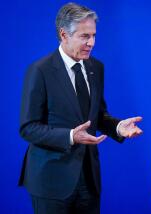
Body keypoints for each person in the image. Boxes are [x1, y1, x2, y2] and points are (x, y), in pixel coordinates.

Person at [19, 3, 142, 214]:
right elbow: (28, 127)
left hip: (89, 180)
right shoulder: (40, 70)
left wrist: (118, 127)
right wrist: (70, 136)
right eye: (85, 36)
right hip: (51, 182)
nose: (91, 43)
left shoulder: (96, 67)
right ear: (64, 34)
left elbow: (98, 115)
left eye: (93, 35)